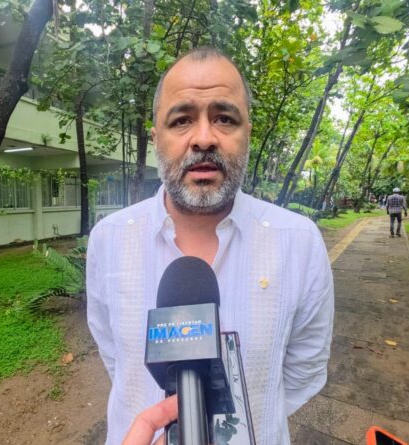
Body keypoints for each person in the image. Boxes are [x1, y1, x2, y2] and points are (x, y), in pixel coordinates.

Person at [87, 47, 334, 444]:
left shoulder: (299, 243)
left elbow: (303, 370)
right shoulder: (109, 239)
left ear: (247, 132)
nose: (204, 138)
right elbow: (116, 359)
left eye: (224, 118)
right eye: (181, 120)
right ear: (156, 138)